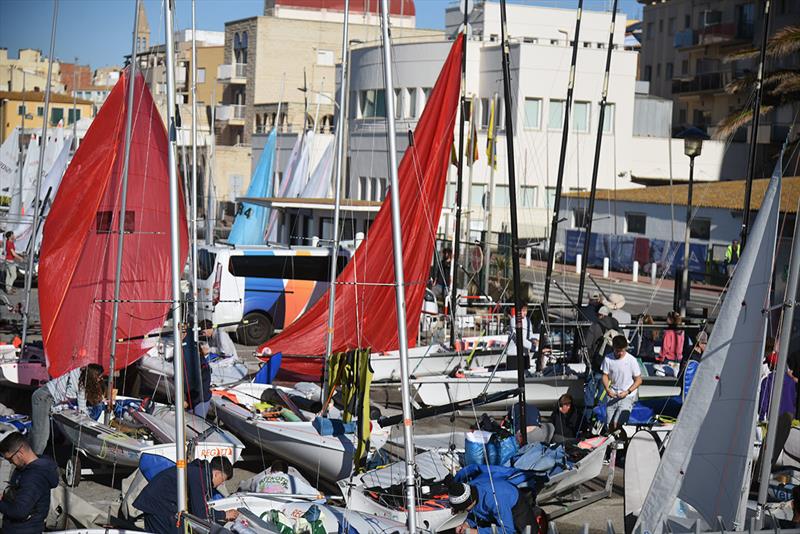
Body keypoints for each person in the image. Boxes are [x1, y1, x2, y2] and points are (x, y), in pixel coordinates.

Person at [134, 456, 239, 533]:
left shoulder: (199, 470)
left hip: (158, 503)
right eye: (222, 480)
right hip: (159, 506)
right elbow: (200, 512)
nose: (221, 484)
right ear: (217, 474)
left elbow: (196, 506)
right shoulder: (199, 476)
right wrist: (224, 514)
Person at [30, 363, 104, 455]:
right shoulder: (81, 386)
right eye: (99, 377)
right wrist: (89, 424)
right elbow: (82, 409)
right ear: (93, 376)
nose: (100, 379)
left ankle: (30, 453)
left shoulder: (79, 374)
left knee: (38, 431)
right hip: (43, 397)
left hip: (46, 396)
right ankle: (34, 460)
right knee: (42, 435)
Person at [449, 465, 546, 534]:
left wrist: (477, 532)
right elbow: (475, 511)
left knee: (527, 531)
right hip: (492, 505)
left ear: (469, 503)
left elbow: (507, 531)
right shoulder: (472, 492)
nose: (465, 511)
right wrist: (467, 524)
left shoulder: (495, 501)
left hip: (513, 504)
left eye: (465, 509)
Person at [0, 432, 59, 534]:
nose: (10, 462)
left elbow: (19, 511)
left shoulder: (34, 477)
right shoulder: (25, 467)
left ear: (20, 452)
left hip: (23, 530)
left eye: (10, 458)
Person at [582, 306, 620, 420]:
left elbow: (586, 346)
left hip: (596, 365)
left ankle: (588, 420)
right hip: (611, 367)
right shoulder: (617, 327)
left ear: (600, 315)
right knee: (604, 395)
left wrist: (587, 362)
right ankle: (601, 420)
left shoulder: (594, 327)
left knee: (589, 394)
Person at [601, 335, 642, 432]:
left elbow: (639, 380)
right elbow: (605, 375)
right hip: (613, 394)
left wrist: (627, 392)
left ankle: (621, 441)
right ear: (613, 348)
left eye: (622, 350)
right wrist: (607, 389)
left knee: (618, 423)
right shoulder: (608, 359)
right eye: (618, 351)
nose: (620, 353)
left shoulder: (631, 360)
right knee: (609, 424)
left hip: (627, 395)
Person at [182, 323, 212, 418]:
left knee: (198, 425)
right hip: (190, 398)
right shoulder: (185, 354)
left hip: (200, 400)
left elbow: (200, 389)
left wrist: (187, 402)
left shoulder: (202, 365)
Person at [758, 349, 797, 422]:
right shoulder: (791, 381)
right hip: (789, 416)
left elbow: (764, 401)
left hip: (774, 417)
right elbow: (794, 399)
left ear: (771, 365)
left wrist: (761, 417)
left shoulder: (767, 381)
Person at [507, 305, 534, 372]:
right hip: (514, 355)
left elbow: (531, 335)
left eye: (526, 311)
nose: (525, 313)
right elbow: (520, 340)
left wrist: (536, 341)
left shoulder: (528, 321)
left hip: (525, 355)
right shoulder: (513, 320)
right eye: (523, 311)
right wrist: (535, 348)